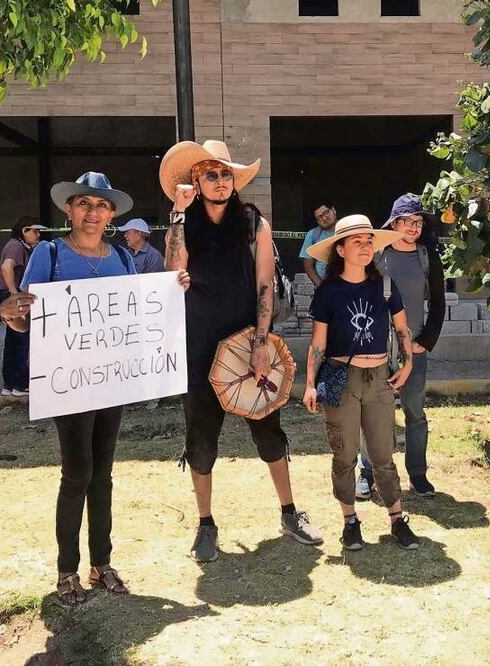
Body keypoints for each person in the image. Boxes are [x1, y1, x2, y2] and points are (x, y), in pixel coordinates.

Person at [1, 172, 190, 604]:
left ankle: (101, 563)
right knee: (77, 473)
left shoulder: (121, 257)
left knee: (103, 474)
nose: (93, 212)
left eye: (101, 205)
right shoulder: (49, 253)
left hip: (110, 382)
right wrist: (11, 313)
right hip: (67, 383)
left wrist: (170, 287)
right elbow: (26, 318)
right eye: (84, 203)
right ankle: (66, 570)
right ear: (69, 210)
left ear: (111, 215)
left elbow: (138, 310)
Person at [160, 139, 323, 563]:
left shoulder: (253, 222)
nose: (220, 181)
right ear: (195, 180)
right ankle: (205, 524)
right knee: (201, 441)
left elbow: (265, 284)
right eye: (210, 174)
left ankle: (289, 512)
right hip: (199, 346)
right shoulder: (183, 223)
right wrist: (178, 213)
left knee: (269, 431)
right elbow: (172, 271)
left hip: (247, 339)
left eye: (226, 174)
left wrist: (261, 343)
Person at [301, 214, 421, 550]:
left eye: (369, 241)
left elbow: (402, 328)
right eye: (357, 241)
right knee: (344, 454)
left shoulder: (385, 286)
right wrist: (309, 383)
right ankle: (350, 522)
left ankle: (397, 519)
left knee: (383, 454)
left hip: (379, 378)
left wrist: (408, 363)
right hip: (341, 377)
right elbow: (318, 343)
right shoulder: (328, 291)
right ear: (340, 249)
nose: (365, 247)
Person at [373, 193, 446, 498]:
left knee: (415, 412)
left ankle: (417, 474)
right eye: (407, 221)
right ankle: (368, 472)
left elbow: (439, 303)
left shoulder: (427, 257)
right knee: (374, 413)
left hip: (413, 349)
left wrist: (425, 342)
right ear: (394, 223)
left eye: (418, 222)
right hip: (376, 348)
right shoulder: (377, 254)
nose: (413, 227)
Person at [0, 216, 46, 397]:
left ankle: (9, 384)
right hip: (15, 297)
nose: (38, 235)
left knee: (13, 341)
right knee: (22, 340)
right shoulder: (16, 246)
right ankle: (20, 384)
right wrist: (14, 293)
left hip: (11, 296)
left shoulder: (17, 246)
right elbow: (6, 267)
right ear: (24, 231)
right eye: (35, 231)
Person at [299, 202, 338, 287]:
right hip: (325, 285)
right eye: (319, 217)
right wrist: (321, 287)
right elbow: (308, 266)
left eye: (326, 213)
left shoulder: (347, 230)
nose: (324, 218)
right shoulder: (313, 235)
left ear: (333, 210)